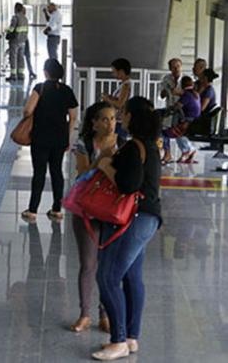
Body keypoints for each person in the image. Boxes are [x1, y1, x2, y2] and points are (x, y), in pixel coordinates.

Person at [93, 96, 162, 361]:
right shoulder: (151, 145)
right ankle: (132, 337)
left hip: (133, 219)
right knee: (132, 276)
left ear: (133, 117)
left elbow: (128, 185)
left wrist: (106, 165)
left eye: (123, 112)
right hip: (148, 218)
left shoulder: (134, 146)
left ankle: (118, 340)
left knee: (108, 277)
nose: (120, 116)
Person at [70, 102, 119, 334]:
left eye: (113, 118)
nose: (111, 124)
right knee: (88, 263)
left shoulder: (123, 143)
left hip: (110, 209)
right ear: (94, 123)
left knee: (107, 265)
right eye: (105, 119)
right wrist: (102, 159)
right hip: (86, 208)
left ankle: (104, 313)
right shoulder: (83, 144)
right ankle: (84, 314)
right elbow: (82, 174)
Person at [20, 59, 78, 222]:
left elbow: (28, 110)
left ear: (46, 72)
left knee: (39, 173)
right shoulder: (67, 90)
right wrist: (68, 138)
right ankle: (57, 209)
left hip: (40, 137)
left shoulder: (40, 88)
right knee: (57, 172)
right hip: (59, 139)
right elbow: (73, 117)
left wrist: (30, 116)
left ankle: (32, 211)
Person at [161, 76, 200, 164]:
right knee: (177, 132)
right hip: (194, 121)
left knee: (165, 132)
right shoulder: (195, 94)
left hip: (187, 122)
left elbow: (176, 107)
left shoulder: (187, 95)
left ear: (182, 85)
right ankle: (189, 150)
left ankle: (185, 151)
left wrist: (166, 112)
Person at [158, 58, 185, 163]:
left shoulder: (186, 79)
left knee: (179, 131)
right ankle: (167, 153)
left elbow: (190, 94)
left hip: (182, 109)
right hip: (170, 108)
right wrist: (164, 92)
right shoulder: (166, 79)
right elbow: (162, 95)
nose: (176, 69)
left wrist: (179, 92)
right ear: (170, 68)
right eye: (173, 67)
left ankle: (187, 151)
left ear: (181, 66)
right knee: (163, 130)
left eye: (178, 66)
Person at [102, 58, 132, 138]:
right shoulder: (123, 85)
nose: (113, 74)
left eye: (114, 72)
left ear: (121, 71)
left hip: (120, 121)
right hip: (118, 119)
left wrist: (107, 99)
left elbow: (120, 104)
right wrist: (112, 98)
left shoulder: (125, 85)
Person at [6, 2, 29, 82]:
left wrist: (6, 31)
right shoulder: (25, 18)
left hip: (15, 41)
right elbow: (26, 31)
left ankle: (13, 75)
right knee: (21, 58)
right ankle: (21, 75)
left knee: (13, 58)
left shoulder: (15, 18)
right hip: (23, 41)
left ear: (16, 9)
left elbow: (11, 29)